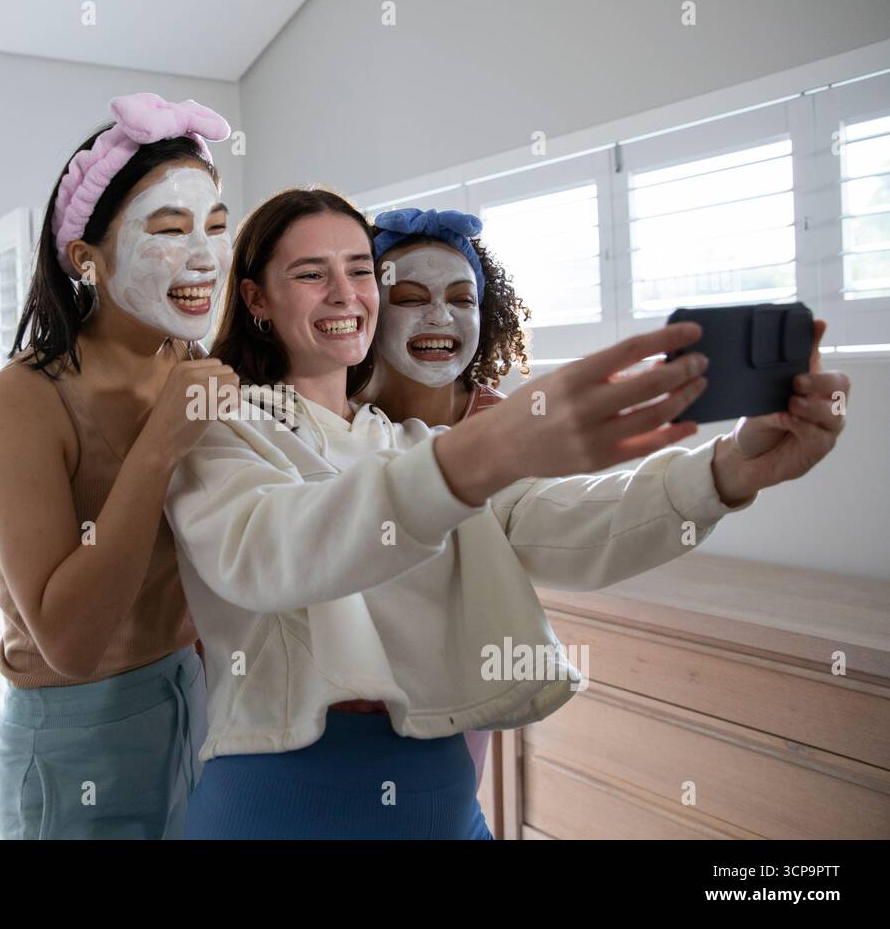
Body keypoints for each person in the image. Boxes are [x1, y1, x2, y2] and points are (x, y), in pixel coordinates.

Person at [164, 187, 849, 839]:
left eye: (361, 271)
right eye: (313, 274)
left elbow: (566, 523)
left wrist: (728, 469)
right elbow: (273, 552)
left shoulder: (411, 444)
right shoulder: (224, 429)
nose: (346, 294)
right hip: (288, 802)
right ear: (256, 297)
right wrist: (479, 455)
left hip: (444, 800)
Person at [0, 93, 241, 839]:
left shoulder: (188, 362)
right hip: (73, 731)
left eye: (216, 227)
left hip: (191, 693)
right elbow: (70, 640)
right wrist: (158, 445)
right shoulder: (21, 400)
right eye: (167, 228)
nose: (203, 256)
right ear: (85, 258)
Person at [361, 206, 532, 789]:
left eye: (463, 298)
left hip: (461, 686)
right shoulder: (335, 414)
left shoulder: (504, 425)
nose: (440, 315)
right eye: (409, 297)